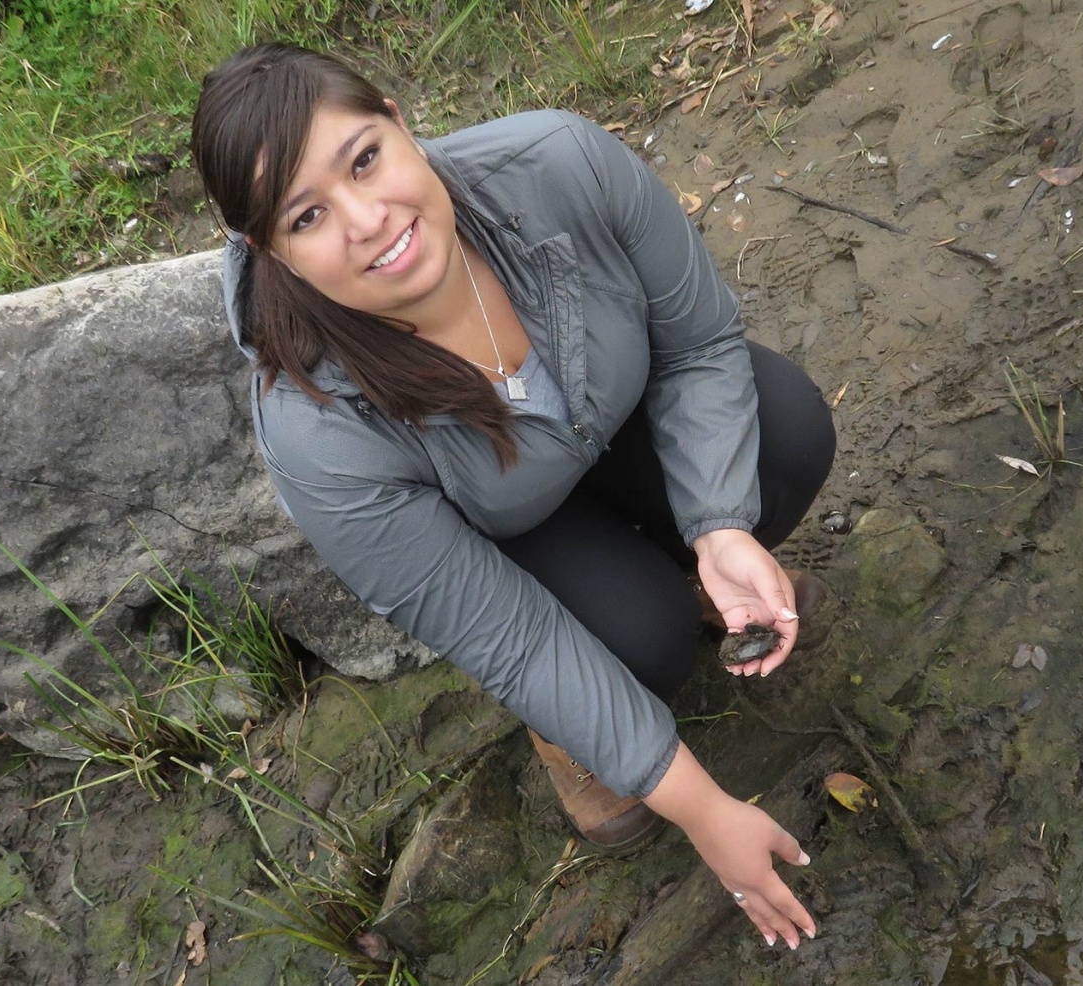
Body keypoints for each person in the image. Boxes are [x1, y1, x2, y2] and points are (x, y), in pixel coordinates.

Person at [192, 42, 835, 950]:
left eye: (364, 159)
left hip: (618, 420)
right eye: (308, 215)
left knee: (787, 431)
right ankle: (576, 735)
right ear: (271, 250)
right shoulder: (316, 433)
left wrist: (721, 525)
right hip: (514, 526)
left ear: (399, 122)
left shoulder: (562, 163)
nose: (368, 221)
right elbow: (513, 638)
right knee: (642, 640)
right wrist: (706, 811)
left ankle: (701, 567)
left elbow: (699, 345)